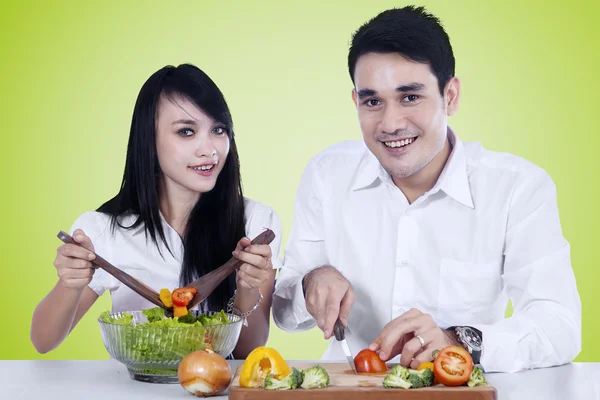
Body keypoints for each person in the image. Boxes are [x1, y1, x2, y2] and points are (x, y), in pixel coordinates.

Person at [272, 6, 581, 373]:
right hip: (352, 385)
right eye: (373, 101)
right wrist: (311, 281)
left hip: (458, 387)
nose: (390, 123)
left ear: (450, 96)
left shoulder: (518, 187)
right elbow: (285, 313)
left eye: (410, 97)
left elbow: (560, 325)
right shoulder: (326, 174)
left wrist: (458, 340)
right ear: (356, 102)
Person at [31, 64, 282, 359]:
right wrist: (70, 283)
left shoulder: (255, 224)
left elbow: (246, 353)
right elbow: (42, 341)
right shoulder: (104, 230)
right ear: (148, 140)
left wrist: (248, 290)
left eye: (218, 129)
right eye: (186, 131)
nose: (210, 149)